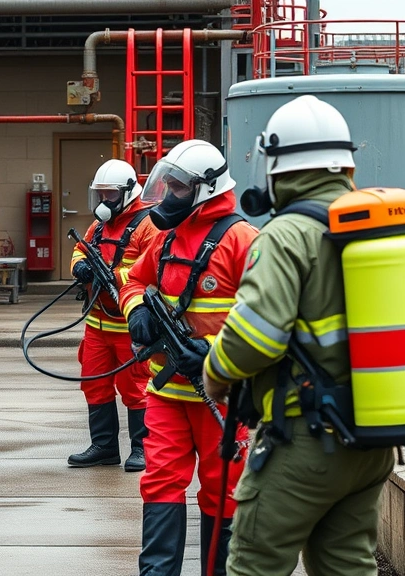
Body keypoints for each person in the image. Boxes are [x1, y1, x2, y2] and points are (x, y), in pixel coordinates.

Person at [202, 95, 395, 576]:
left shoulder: (287, 234)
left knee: (254, 563)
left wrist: (215, 374)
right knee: (346, 565)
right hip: (371, 439)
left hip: (307, 440)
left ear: (275, 165)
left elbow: (256, 337)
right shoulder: (374, 228)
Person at [119, 139, 257, 576]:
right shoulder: (164, 237)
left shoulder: (243, 241)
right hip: (167, 391)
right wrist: (137, 308)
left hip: (224, 395)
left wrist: (217, 355)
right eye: (168, 186)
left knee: (224, 491)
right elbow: (133, 281)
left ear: (206, 189)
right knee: (159, 483)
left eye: (177, 188)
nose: (168, 196)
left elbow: (268, 319)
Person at [67, 159, 159, 472]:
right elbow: (82, 248)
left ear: (128, 192)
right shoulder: (100, 225)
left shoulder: (149, 224)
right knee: (94, 383)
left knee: (136, 388)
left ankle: (141, 448)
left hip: (128, 325)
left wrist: (113, 275)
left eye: (110, 194)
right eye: (101, 194)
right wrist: (79, 266)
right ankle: (104, 446)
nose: (104, 201)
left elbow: (151, 266)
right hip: (97, 324)